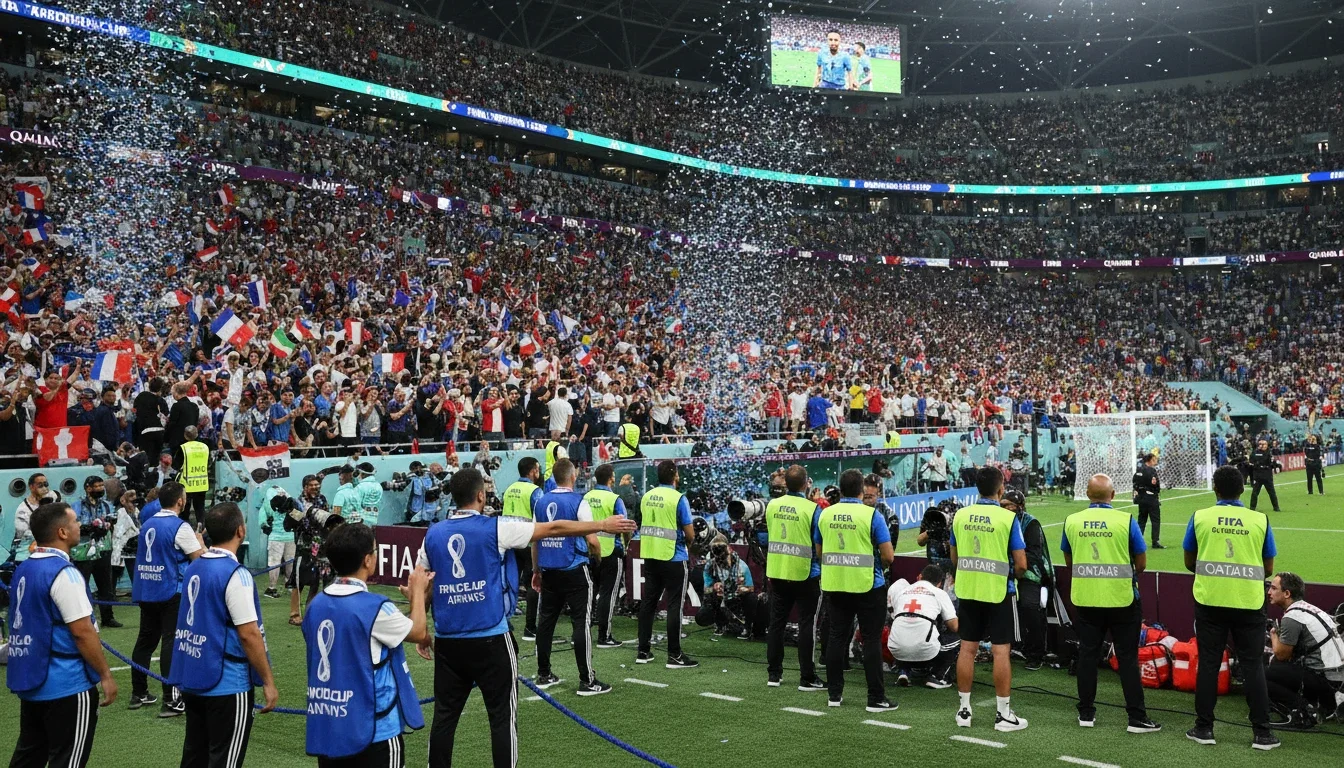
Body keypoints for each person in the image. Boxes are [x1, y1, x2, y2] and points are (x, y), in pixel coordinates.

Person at [417, 467, 634, 768]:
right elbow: (553, 529)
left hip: (448, 641)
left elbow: (422, 584)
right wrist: (601, 524)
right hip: (491, 639)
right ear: (481, 495)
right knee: (502, 719)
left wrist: (421, 625)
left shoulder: (432, 535)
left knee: (444, 717)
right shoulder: (496, 527)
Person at [303, 524, 432, 767]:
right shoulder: (376, 607)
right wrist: (417, 591)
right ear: (368, 560)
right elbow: (418, 631)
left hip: (332, 725)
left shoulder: (315, 605)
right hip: (376, 731)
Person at [5, 502, 118, 768]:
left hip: (33, 681)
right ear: (62, 533)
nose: (80, 525)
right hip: (67, 684)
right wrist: (105, 675)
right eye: (75, 521)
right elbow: (82, 632)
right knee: (68, 760)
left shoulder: (24, 568)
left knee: (28, 756)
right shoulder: (64, 573)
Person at [169, 502, 280, 768]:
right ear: (241, 531)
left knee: (195, 755)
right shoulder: (235, 574)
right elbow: (249, 634)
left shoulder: (195, 565)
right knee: (224, 760)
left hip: (194, 677)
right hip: (228, 683)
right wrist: (267, 680)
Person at [1182, 465, 1279, 750]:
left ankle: (1204, 729)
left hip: (1210, 601)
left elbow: (1189, 561)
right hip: (1248, 603)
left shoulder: (1200, 517)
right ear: (1243, 489)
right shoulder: (1259, 519)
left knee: (1209, 664)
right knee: (1253, 667)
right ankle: (1262, 733)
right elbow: (1268, 567)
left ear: (1215, 489)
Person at [1061, 474, 1161, 733]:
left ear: (1087, 493)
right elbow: (1141, 563)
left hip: (1085, 599)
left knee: (1087, 655)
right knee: (1127, 658)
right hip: (1122, 600)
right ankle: (1136, 718)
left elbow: (1069, 561)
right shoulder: (1125, 521)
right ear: (1113, 496)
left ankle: (1086, 713)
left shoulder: (1072, 521)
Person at [950, 466, 1028, 731]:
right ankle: (1003, 715)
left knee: (967, 649)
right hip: (998, 592)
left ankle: (963, 712)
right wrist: (1009, 576)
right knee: (1000, 651)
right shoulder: (1007, 518)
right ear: (1001, 489)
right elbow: (1021, 563)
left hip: (968, 589)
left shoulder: (960, 515)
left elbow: (954, 558)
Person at [815, 468, 895, 711]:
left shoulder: (826, 514)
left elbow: (819, 552)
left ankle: (834, 695)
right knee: (870, 640)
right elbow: (888, 556)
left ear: (840, 490)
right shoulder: (872, 516)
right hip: (868, 585)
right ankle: (876, 698)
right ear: (862, 490)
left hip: (836, 584)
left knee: (837, 638)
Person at [531, 458, 611, 695]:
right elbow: (592, 540)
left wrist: (536, 570)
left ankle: (544, 673)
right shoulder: (579, 501)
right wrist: (598, 561)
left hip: (549, 570)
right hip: (575, 569)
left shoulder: (541, 501)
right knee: (581, 624)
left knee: (546, 623)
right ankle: (587, 680)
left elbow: (534, 539)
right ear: (573, 476)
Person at [130, 481, 203, 717]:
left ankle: (139, 692)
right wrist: (201, 544)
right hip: (172, 590)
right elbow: (199, 560)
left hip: (147, 589)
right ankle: (171, 700)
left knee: (145, 641)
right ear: (180, 501)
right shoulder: (180, 527)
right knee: (171, 642)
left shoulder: (147, 524)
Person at [764, 464, 825, 691]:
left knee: (776, 624)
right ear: (805, 484)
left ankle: (774, 674)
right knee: (806, 624)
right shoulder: (812, 509)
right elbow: (818, 543)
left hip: (779, 572)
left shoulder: (772, 505)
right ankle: (807, 677)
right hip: (806, 574)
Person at [635, 460, 699, 669]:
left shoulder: (646, 496)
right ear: (675, 476)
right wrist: (689, 544)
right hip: (673, 556)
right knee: (674, 606)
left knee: (648, 604)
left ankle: (643, 651)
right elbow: (689, 533)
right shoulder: (678, 498)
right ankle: (675, 655)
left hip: (651, 555)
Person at [1266, 571, 1344, 727]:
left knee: (1259, 677)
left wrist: (1274, 635)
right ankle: (1327, 701)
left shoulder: (1292, 617)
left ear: (1287, 593)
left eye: (1274, 588)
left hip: (1325, 678)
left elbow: (1281, 655)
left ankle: (1303, 710)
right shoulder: (1312, 610)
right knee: (1275, 668)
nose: (1269, 592)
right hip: (1336, 676)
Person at [886, 563, 959, 689]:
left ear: (919, 577)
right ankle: (937, 676)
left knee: (905, 628)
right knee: (961, 635)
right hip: (923, 649)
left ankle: (904, 671)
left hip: (895, 647)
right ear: (939, 584)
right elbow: (954, 626)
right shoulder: (939, 593)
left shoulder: (902, 591)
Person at [1001, 487, 1050, 671]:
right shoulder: (998, 522)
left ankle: (1036, 653)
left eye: (1009, 505)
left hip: (1031, 572)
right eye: (1002, 505)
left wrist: (1016, 567)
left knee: (1029, 607)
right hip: (1004, 570)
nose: (1005, 509)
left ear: (1020, 506)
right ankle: (1009, 645)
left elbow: (1035, 555)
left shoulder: (1031, 524)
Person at [584, 463, 630, 648]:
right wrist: (626, 545)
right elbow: (625, 526)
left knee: (588, 593)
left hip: (588, 551)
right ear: (611, 478)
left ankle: (583, 632)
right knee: (608, 594)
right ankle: (604, 636)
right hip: (611, 551)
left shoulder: (586, 497)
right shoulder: (614, 499)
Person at [501, 457, 544, 640]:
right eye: (538, 469)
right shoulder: (535, 491)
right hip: (528, 541)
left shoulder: (510, 489)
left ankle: (504, 622)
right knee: (532, 583)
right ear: (533, 470)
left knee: (509, 582)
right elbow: (541, 517)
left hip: (510, 541)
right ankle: (530, 628)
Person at [72, 475, 120, 628]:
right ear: (88, 488)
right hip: (83, 552)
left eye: (101, 486)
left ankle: (108, 618)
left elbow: (112, 520)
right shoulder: (76, 505)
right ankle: (83, 619)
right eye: (97, 486)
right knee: (81, 586)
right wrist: (89, 528)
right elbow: (75, 524)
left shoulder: (106, 505)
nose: (100, 489)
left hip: (103, 549)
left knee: (105, 586)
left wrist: (107, 525)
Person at [174, 425, 210, 526]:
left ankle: (185, 529)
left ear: (185, 436)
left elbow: (176, 465)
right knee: (200, 509)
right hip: (201, 483)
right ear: (197, 434)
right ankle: (201, 529)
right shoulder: (205, 447)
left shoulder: (183, 448)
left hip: (187, 484)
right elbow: (209, 462)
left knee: (185, 510)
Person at [1132, 453, 1163, 548]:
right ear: (1150, 460)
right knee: (1155, 520)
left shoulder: (1138, 471)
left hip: (1141, 498)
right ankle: (1155, 541)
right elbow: (1156, 485)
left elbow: (1134, 483)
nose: (1156, 461)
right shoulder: (1152, 471)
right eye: (1154, 459)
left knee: (1141, 520)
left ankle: (1137, 541)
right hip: (1151, 498)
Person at [1248, 438, 1282, 512]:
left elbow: (1272, 463)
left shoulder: (1269, 453)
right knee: (1255, 493)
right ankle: (1252, 507)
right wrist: (1255, 465)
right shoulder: (1255, 452)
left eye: (1264, 444)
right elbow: (1250, 462)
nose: (1262, 446)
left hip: (1267, 474)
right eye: (1260, 444)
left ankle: (1276, 507)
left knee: (1272, 492)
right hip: (1258, 474)